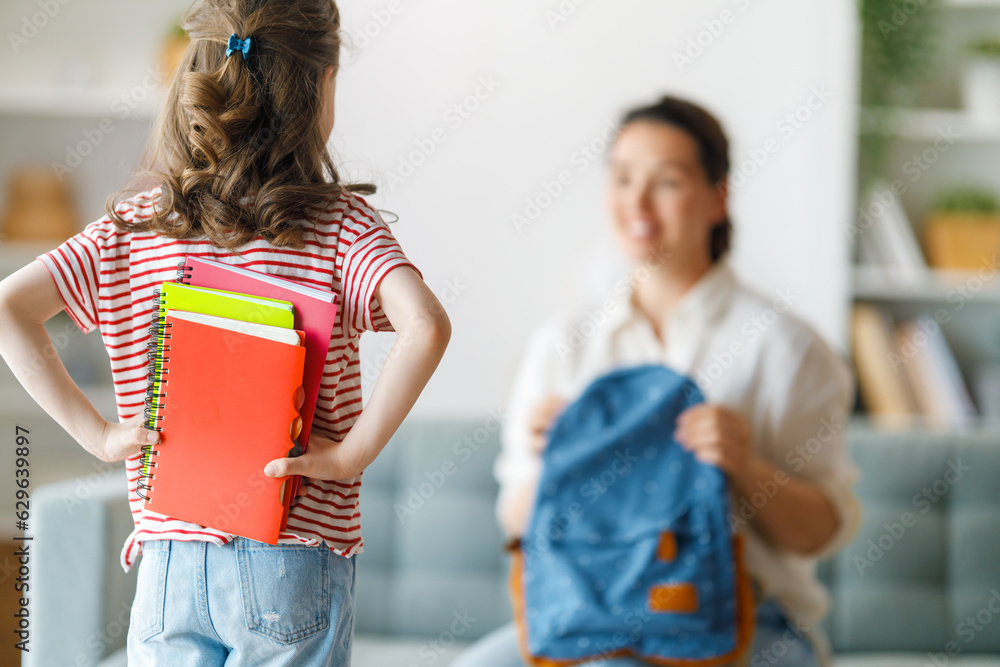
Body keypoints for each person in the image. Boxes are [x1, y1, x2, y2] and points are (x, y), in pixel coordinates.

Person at [0, 0, 451, 664]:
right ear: (320, 85)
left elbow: (10, 307)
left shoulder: (136, 224)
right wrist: (352, 453)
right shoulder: (338, 226)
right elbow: (427, 325)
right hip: (294, 558)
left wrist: (98, 434)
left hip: (167, 563)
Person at [453, 96, 861, 667]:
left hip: (749, 619)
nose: (637, 202)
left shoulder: (787, 349)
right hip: (587, 610)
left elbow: (823, 532)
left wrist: (745, 464)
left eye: (666, 181)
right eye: (622, 178)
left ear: (719, 197)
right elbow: (515, 516)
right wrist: (557, 460)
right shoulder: (565, 344)